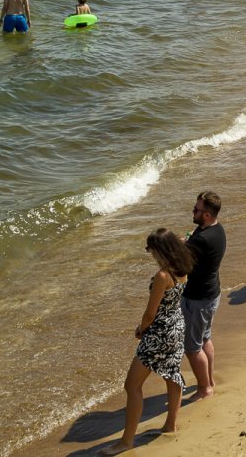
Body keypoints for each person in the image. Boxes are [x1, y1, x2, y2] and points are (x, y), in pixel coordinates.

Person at [98, 228, 194, 455]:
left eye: (150, 249)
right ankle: (170, 425)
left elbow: (150, 313)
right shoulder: (182, 271)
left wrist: (142, 329)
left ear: (160, 250)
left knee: (132, 385)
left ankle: (126, 441)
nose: (149, 253)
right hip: (176, 328)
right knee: (172, 376)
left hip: (158, 334)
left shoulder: (162, 276)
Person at [183, 191, 225, 400]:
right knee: (205, 338)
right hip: (210, 294)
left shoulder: (202, 239)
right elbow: (193, 245)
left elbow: (181, 267)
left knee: (192, 348)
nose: (193, 211)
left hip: (199, 299)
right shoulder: (216, 230)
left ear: (207, 215)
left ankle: (204, 388)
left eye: (196, 210)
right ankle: (209, 380)